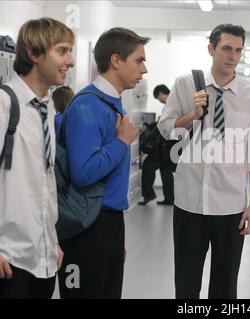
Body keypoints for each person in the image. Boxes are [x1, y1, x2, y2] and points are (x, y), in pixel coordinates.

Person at [158, 24, 250, 299]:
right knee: (186, 283)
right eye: (227, 49)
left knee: (225, 286)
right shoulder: (186, 83)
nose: (233, 56)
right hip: (189, 201)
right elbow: (166, 128)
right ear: (211, 49)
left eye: (238, 50)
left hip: (231, 206)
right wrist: (192, 114)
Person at [58, 28, 148, 299]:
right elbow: (83, 173)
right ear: (116, 60)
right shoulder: (88, 106)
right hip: (86, 225)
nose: (145, 69)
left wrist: (114, 237)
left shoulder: (112, 102)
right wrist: (121, 142)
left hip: (109, 222)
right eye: (139, 60)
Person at [0, 18, 74, 299]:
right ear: (33, 54)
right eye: (62, 50)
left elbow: (42, 183)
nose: (71, 60)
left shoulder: (46, 110)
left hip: (43, 258)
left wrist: (51, 241)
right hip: (9, 260)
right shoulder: (5, 105)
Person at [139, 84, 174, 206]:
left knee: (148, 166)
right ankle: (169, 198)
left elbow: (164, 125)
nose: (158, 100)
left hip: (163, 146)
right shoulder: (172, 102)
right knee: (166, 171)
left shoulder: (170, 104)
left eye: (157, 97)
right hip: (168, 146)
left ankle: (149, 195)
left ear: (160, 93)